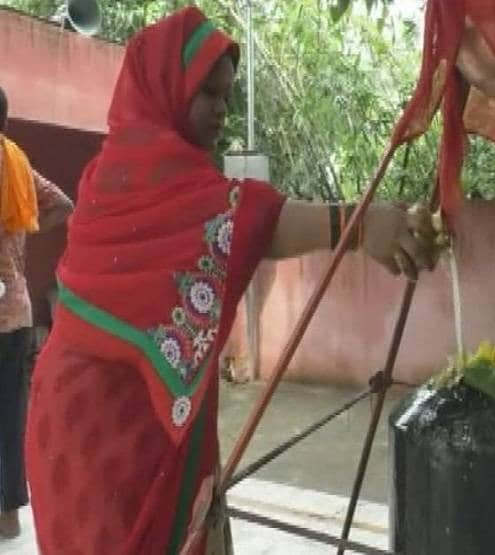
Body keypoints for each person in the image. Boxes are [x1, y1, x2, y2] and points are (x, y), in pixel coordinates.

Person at [24, 7, 439, 555]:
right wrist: (360, 226)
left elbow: (236, 220)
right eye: (209, 95)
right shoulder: (144, 177)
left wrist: (364, 226)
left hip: (122, 411)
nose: (222, 111)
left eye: (226, 95)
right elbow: (247, 223)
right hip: (95, 432)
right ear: (166, 91)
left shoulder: (137, 175)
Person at [0, 86, 73, 539]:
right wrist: (24, 227)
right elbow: (65, 205)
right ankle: (9, 518)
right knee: (10, 416)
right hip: (17, 311)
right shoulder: (18, 165)